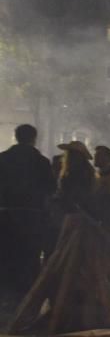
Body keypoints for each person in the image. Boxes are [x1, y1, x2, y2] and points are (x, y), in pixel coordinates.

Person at [0, 124, 57, 296]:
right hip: (32, 217)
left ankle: (5, 293)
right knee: (30, 256)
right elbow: (51, 188)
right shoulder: (41, 162)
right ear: (34, 139)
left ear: (16, 137)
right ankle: (28, 295)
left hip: (5, 215)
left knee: (6, 254)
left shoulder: (3, 159)